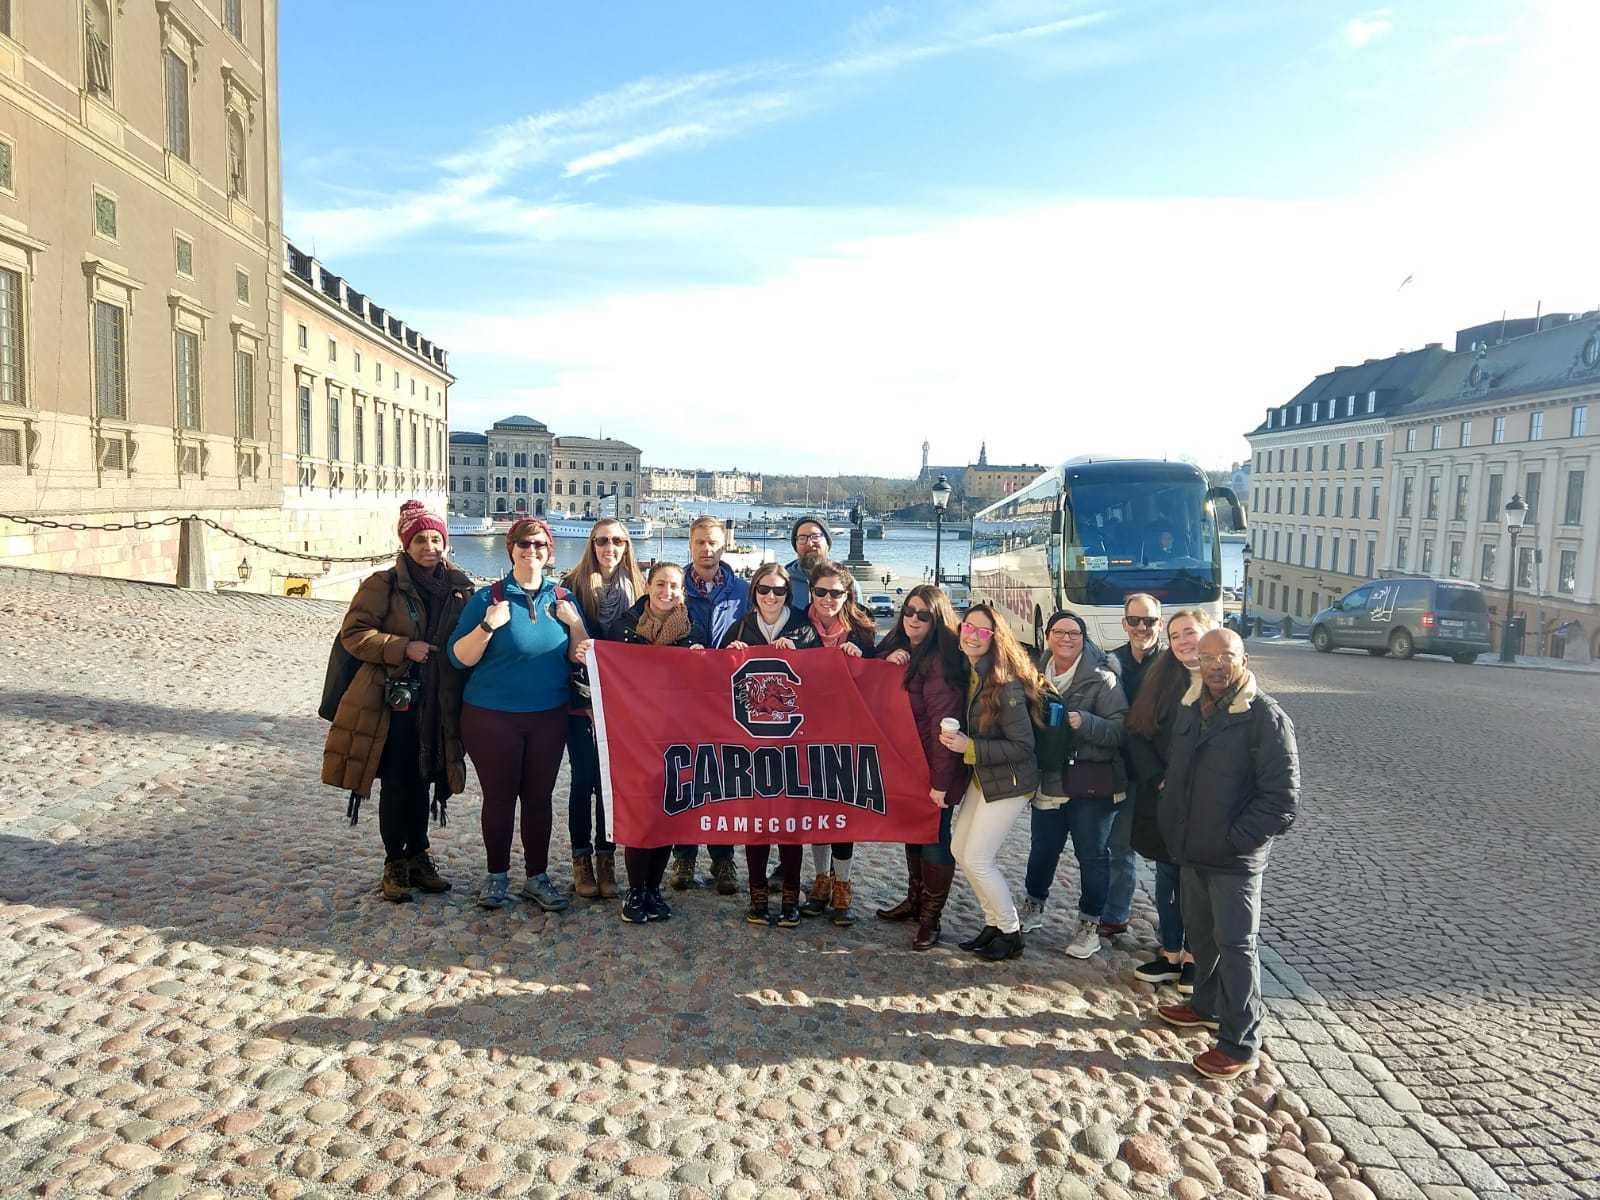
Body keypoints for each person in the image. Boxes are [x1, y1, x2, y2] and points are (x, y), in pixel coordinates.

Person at [1155, 628, 1299, 1080]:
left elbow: (1282, 801)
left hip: (1233, 858)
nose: (1216, 664)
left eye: (1227, 656)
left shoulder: (1265, 718)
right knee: (1202, 938)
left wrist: (1234, 840)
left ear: (1245, 659)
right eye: (1208, 656)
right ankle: (1205, 1004)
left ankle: (1240, 1041)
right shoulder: (1191, 707)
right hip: (1192, 850)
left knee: (1237, 947)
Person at [323, 500, 472, 902]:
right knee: (396, 782)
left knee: (424, 778)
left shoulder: (459, 587)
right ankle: (395, 862)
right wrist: (403, 647)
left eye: (435, 538)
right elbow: (354, 635)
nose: (429, 546)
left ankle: (419, 855)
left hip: (436, 702)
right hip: (391, 702)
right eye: (420, 539)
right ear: (406, 544)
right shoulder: (382, 584)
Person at [448, 517, 588, 912]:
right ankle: (496, 876)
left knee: (539, 798)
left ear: (550, 551)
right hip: (492, 716)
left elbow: (582, 654)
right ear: (510, 549)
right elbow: (457, 658)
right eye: (524, 544)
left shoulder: (562, 597)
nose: (532, 551)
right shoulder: (488, 598)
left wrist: (575, 623)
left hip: (548, 715)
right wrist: (487, 628)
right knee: (500, 797)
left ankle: (537, 877)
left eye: (540, 545)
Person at [1018, 611, 1129, 959]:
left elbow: (1120, 729)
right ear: (1048, 636)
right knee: (1042, 851)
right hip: (1050, 780)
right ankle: (1033, 905)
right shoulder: (1035, 675)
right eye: (1059, 632)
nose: (1067, 639)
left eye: (1075, 633)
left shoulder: (1103, 678)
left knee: (1092, 857)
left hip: (1090, 783)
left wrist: (1086, 723)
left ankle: (1089, 924)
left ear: (1084, 638)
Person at [606, 561, 710, 923]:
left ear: (683, 592)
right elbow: (607, 669)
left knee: (668, 810)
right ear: (647, 586)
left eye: (674, 586)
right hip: (634, 734)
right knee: (641, 811)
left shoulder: (696, 630)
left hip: (677, 732)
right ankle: (635, 891)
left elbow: (708, 681)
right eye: (661, 584)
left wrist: (701, 660)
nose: (667, 592)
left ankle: (653, 889)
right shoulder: (624, 628)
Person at [941, 603, 1041, 962]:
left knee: (979, 858)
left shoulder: (1005, 685)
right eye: (967, 626)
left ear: (995, 638)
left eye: (982, 631)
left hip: (1010, 781)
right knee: (959, 850)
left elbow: (1022, 747)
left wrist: (970, 746)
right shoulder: (972, 672)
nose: (972, 634)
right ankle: (993, 923)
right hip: (985, 776)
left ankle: (1010, 932)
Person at [720, 562, 818, 926]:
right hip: (751, 745)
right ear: (754, 592)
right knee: (756, 823)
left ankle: (791, 896)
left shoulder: (803, 627)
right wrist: (730, 652)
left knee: (790, 825)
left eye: (778, 591)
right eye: (764, 590)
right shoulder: (743, 625)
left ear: (788, 594)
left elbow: (824, 678)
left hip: (793, 744)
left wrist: (800, 653)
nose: (771, 597)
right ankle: (757, 894)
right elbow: (715, 676)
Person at [873, 586, 968, 949]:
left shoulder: (941, 663)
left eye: (923, 615)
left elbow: (943, 725)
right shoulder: (901, 645)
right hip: (905, 763)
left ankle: (931, 917)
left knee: (934, 839)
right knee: (912, 832)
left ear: (937, 619)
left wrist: (941, 781)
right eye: (909, 611)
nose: (913, 618)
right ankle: (914, 900)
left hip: (933, 765)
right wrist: (889, 658)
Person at [1125, 608, 1214, 991]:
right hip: (1166, 797)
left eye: (1189, 633)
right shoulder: (1160, 675)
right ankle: (1171, 953)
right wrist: (1158, 779)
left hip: (1207, 800)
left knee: (1197, 881)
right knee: (1167, 876)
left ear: (1208, 634)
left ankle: (1196, 958)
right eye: (1175, 636)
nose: (1182, 642)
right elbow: (1137, 732)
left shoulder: (1222, 679)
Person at [560, 518, 644, 901]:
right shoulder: (572, 587)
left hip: (623, 705)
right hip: (581, 699)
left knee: (610, 784)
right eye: (602, 540)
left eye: (617, 541)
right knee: (583, 781)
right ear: (591, 545)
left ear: (627, 546)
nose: (610, 547)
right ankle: (582, 859)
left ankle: (607, 856)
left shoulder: (641, 590)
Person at [669, 516, 751, 894]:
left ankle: (723, 859)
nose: (707, 550)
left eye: (714, 543)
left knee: (726, 779)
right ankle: (683, 856)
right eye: (700, 542)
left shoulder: (744, 592)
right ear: (690, 544)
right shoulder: (671, 586)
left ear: (724, 545)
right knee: (685, 776)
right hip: (682, 698)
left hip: (728, 699)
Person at [796, 560, 878, 926]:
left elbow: (879, 678)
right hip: (807, 731)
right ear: (811, 591)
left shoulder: (862, 630)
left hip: (848, 732)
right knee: (816, 809)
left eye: (836, 593)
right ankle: (820, 879)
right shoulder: (797, 625)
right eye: (821, 592)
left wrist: (871, 660)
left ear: (848, 595)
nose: (828, 599)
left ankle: (843, 882)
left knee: (844, 808)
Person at [1102, 591, 1162, 938]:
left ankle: (1175, 931)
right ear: (1125, 624)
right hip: (1123, 770)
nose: (1143, 627)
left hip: (1160, 772)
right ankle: (1116, 913)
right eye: (1136, 620)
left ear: (1160, 623)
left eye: (1150, 620)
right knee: (1118, 845)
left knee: (1168, 852)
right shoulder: (1112, 662)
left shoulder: (1172, 664)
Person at [784, 515, 833, 608]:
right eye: (802, 538)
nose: (809, 544)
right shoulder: (782, 582)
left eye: (815, 537)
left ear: (827, 543)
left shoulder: (845, 583)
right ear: (796, 546)